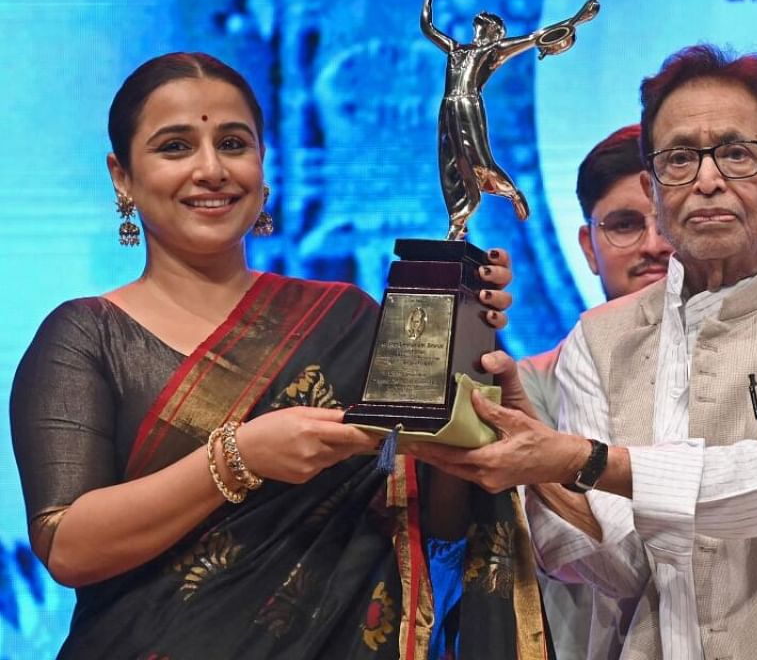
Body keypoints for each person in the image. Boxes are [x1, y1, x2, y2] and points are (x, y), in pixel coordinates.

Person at [8, 52, 544, 660]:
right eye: (175, 147)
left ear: (264, 167)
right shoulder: (85, 337)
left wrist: (466, 354)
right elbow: (67, 547)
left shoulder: (348, 319)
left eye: (233, 143)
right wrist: (241, 457)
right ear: (122, 176)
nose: (211, 170)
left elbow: (435, 527)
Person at [411, 44, 757, 660]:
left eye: (736, 153)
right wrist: (545, 467)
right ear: (655, 190)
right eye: (680, 158)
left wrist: (583, 458)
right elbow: (615, 567)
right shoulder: (597, 341)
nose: (707, 179)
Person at [518, 124, 674, 660]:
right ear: (589, 246)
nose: (654, 246)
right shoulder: (531, 385)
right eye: (626, 225)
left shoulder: (751, 360)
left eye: (668, 222)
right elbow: (558, 546)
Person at [421, 0, 601, 240]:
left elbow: (536, 37)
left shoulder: (496, 50)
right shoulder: (457, 49)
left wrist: (579, 20)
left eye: (485, 26)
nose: (479, 28)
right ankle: (457, 224)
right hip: (449, 107)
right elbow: (427, 26)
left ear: (495, 33)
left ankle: (511, 192)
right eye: (478, 25)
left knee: (478, 161)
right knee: (450, 165)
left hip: (469, 106)